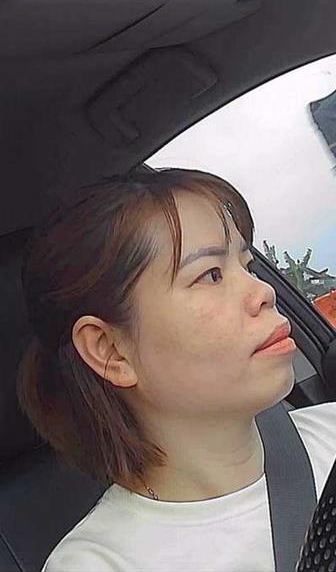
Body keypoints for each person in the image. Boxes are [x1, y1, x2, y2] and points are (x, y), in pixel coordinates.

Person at [17, 164, 336, 572]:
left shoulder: (329, 432)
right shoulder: (100, 564)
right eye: (211, 275)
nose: (263, 291)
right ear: (111, 351)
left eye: (247, 266)